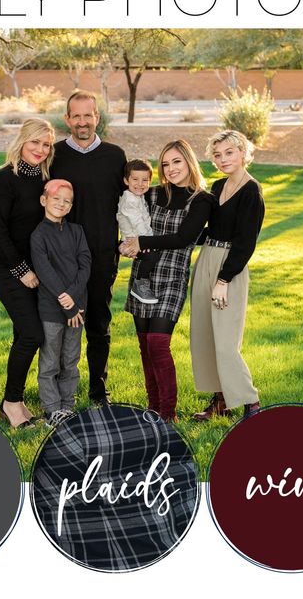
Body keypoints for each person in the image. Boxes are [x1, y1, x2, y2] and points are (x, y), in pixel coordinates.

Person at [120, 140, 213, 422]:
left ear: (189, 162)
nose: (170, 169)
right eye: (165, 164)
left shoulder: (202, 200)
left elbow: (183, 238)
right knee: (145, 345)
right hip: (143, 277)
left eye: (177, 162)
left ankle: (168, 413)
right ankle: (153, 408)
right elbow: (128, 221)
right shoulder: (152, 194)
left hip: (172, 276)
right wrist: (122, 245)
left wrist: (141, 241)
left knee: (159, 343)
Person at [50, 90, 126, 406]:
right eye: (76, 116)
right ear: (68, 119)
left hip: (101, 254)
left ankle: (98, 390)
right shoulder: (54, 155)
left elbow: (129, 203)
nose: (82, 122)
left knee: (98, 324)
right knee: (56, 329)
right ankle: (53, 394)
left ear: (97, 117)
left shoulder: (114, 156)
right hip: (60, 258)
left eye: (88, 115)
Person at [0, 118, 55, 428]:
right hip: (6, 268)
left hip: (36, 271)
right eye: (35, 142)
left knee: (22, 335)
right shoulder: (5, 179)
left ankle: (15, 400)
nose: (40, 149)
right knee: (32, 334)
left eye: (46, 144)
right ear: (22, 142)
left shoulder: (45, 180)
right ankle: (11, 403)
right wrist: (21, 270)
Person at [190, 130, 264, 420]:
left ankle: (251, 403)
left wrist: (223, 280)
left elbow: (246, 242)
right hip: (207, 257)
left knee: (225, 339)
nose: (223, 159)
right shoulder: (218, 187)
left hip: (229, 267)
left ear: (243, 153)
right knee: (205, 335)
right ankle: (220, 401)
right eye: (217, 155)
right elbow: (210, 230)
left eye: (229, 153)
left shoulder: (251, 191)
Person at [30, 179, 91, 427]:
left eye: (67, 201)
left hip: (78, 307)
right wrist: (66, 302)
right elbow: (45, 271)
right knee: (50, 361)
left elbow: (85, 264)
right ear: (44, 200)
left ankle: (67, 405)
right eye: (56, 198)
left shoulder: (77, 232)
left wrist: (73, 299)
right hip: (51, 309)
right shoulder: (38, 235)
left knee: (70, 359)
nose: (62, 204)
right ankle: (52, 409)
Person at [117, 159, 159, 304]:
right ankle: (140, 284)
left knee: (151, 256)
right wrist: (147, 242)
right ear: (126, 180)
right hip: (131, 240)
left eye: (145, 180)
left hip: (138, 237)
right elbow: (137, 222)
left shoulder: (137, 196)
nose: (140, 184)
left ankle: (142, 282)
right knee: (151, 256)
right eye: (135, 179)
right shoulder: (129, 200)